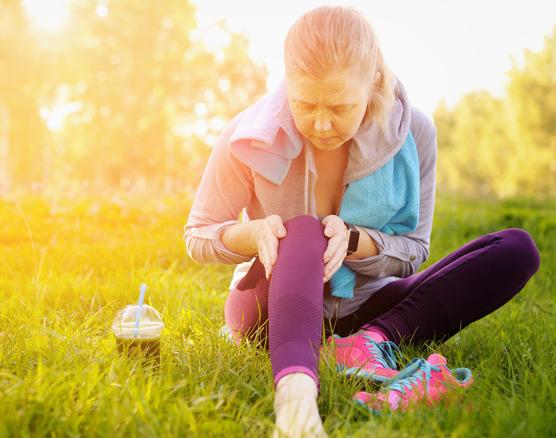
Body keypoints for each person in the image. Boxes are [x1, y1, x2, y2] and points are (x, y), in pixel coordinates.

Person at [183, 6, 540, 438]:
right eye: (304, 103)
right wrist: (255, 234)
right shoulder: (248, 135)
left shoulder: (415, 135)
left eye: (340, 106)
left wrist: (353, 241)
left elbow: (414, 251)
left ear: (372, 83)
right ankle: (294, 400)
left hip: (367, 307)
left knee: (517, 249)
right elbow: (198, 233)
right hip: (268, 311)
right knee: (302, 229)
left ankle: (366, 343)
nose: (320, 122)